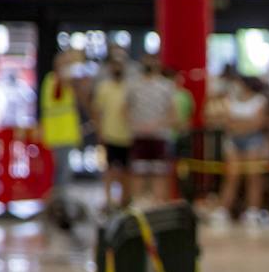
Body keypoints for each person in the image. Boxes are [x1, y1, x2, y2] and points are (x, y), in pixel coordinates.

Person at [214, 75, 269, 226]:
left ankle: (253, 210)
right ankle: (223, 209)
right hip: (233, 141)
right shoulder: (230, 100)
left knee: (253, 176)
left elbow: (258, 123)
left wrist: (238, 124)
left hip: (254, 141)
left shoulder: (259, 100)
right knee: (232, 176)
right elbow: (226, 122)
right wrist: (244, 123)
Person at [125, 56, 180, 204]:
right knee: (138, 171)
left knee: (159, 172)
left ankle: (158, 202)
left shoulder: (167, 86)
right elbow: (124, 110)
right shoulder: (133, 86)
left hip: (159, 136)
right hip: (139, 135)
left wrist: (158, 124)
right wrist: (136, 125)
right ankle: (137, 203)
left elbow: (173, 113)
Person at [39, 51, 83, 206]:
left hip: (67, 133)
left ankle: (60, 204)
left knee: (64, 172)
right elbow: (46, 106)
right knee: (52, 172)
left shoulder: (73, 82)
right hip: (52, 134)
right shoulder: (50, 80)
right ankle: (52, 203)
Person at [91, 57, 133, 209]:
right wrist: (99, 130)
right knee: (109, 170)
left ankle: (125, 200)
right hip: (109, 134)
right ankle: (109, 201)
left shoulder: (130, 87)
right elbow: (97, 110)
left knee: (127, 171)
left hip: (128, 135)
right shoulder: (104, 88)